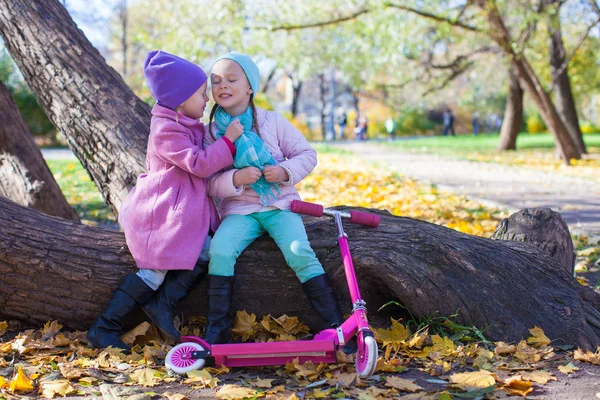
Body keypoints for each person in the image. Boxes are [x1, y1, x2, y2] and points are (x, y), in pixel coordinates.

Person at [86, 50, 243, 350]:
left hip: (181, 212)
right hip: (161, 213)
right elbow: (199, 163)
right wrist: (229, 141)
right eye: (201, 94)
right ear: (181, 99)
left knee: (208, 252)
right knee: (153, 272)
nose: (207, 99)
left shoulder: (184, 123)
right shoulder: (167, 129)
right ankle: (103, 327)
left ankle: (162, 304)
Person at [203, 52, 348, 347]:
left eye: (232, 79)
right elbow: (207, 181)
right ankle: (217, 330)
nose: (223, 86)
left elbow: (307, 155)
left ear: (250, 88)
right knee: (219, 250)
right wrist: (235, 180)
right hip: (240, 209)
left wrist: (284, 171)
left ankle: (334, 323)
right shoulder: (212, 132)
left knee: (298, 251)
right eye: (216, 81)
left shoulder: (273, 122)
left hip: (280, 205)